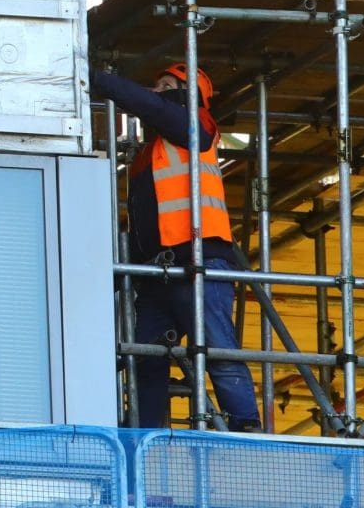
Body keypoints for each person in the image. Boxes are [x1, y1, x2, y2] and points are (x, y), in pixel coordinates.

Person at [90, 65, 261, 432]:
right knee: (143, 357)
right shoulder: (149, 155)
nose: (156, 91)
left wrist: (102, 80)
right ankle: (142, 434)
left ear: (187, 96)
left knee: (218, 351)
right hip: (158, 274)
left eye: (166, 85)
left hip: (201, 261)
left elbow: (152, 106)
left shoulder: (197, 127)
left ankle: (246, 427)